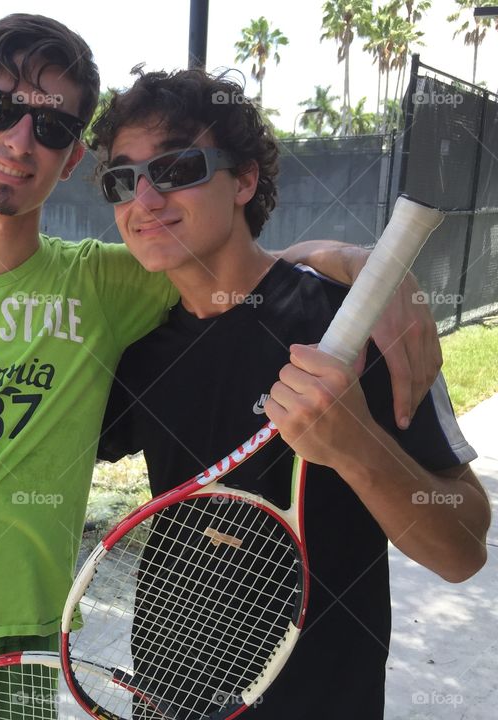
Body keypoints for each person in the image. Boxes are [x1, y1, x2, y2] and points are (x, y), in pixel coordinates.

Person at [0, 15, 442, 720]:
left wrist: (350, 264)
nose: (17, 141)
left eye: (53, 127)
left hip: (21, 647)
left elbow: (223, 262)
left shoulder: (106, 286)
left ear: (70, 160)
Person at [94, 68, 491, 720]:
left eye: (175, 168)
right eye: (122, 179)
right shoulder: (140, 353)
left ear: (244, 180)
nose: (145, 198)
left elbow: (464, 548)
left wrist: (358, 445)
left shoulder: (354, 324)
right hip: (167, 701)